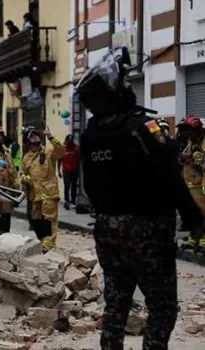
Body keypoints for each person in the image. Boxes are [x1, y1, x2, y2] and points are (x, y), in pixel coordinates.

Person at [76, 46, 204, 350]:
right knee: (162, 307)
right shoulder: (140, 128)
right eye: (123, 82)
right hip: (145, 228)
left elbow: (90, 187)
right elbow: (170, 176)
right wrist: (194, 218)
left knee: (116, 306)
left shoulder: (91, 133)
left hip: (106, 229)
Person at [20, 125, 64, 251]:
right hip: (35, 195)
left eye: (35, 135)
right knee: (35, 220)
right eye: (31, 137)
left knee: (49, 220)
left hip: (49, 193)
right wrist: (24, 179)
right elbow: (22, 173)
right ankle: (44, 241)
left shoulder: (48, 152)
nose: (34, 139)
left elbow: (61, 152)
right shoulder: (26, 157)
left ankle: (48, 247)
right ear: (27, 142)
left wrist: (50, 137)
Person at [178, 115, 205, 248]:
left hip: (202, 181)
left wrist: (198, 159)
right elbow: (183, 158)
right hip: (193, 182)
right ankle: (195, 238)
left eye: (187, 130)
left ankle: (203, 240)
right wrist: (184, 158)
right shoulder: (191, 141)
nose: (184, 134)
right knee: (195, 212)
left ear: (196, 130)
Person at [58, 134, 80, 209]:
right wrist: (58, 171)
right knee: (67, 186)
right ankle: (67, 201)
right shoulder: (63, 148)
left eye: (71, 141)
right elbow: (59, 160)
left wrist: (79, 171)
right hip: (66, 171)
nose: (69, 143)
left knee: (73, 186)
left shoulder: (76, 148)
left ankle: (73, 201)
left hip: (74, 170)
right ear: (66, 141)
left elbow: (79, 160)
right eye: (68, 141)